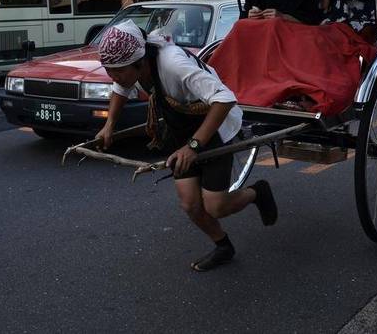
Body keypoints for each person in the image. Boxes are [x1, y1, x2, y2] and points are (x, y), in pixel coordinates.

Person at [95, 20, 278, 272]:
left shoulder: (173, 64)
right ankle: (223, 246)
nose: (113, 77)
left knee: (216, 206)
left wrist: (193, 146)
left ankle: (257, 192)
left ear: (140, 61)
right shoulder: (132, 66)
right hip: (179, 128)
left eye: (118, 71)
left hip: (213, 126)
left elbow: (224, 99)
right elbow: (121, 86)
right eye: (109, 71)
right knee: (190, 203)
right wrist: (110, 125)